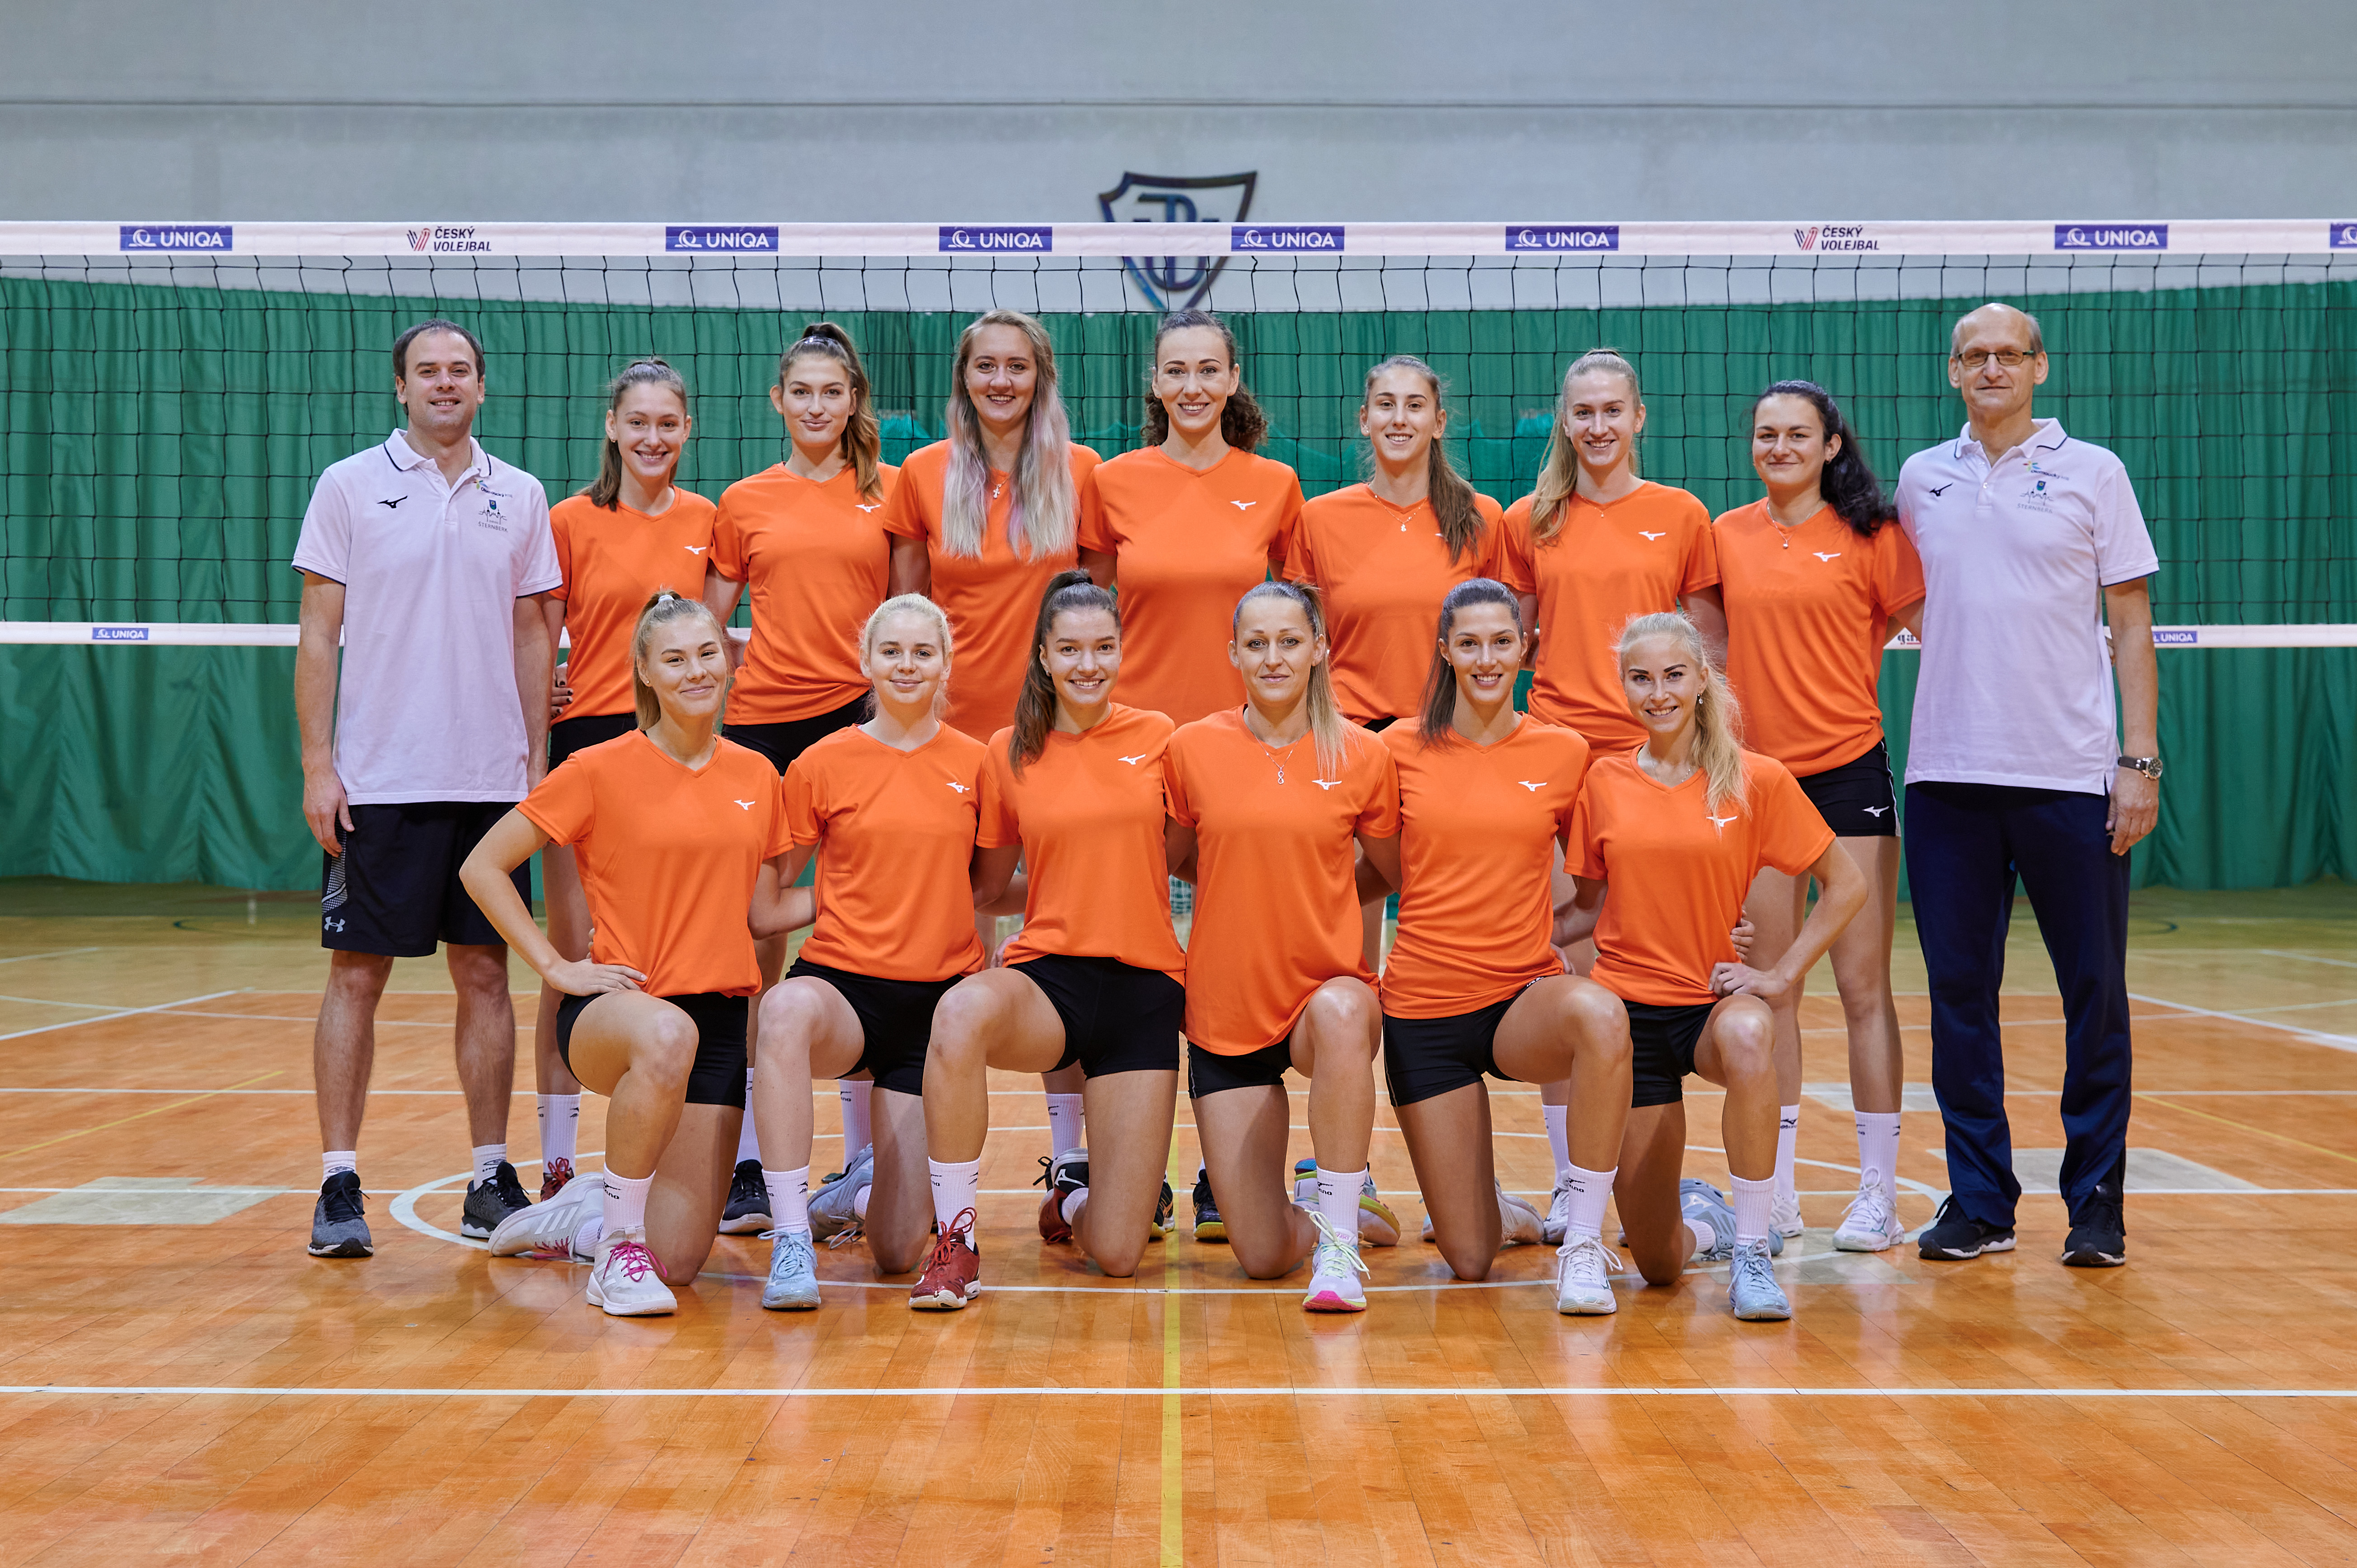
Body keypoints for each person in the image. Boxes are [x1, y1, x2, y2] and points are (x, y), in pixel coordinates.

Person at [1895, 303, 2160, 1270]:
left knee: (2094, 995)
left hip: (2068, 777)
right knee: (1959, 998)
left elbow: (2129, 621)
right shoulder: (1922, 478)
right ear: (1953, 371)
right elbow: (1911, 601)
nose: (1992, 367)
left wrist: (2138, 761)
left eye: (2009, 353)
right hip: (1947, 777)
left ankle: (2096, 1205)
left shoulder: (2094, 472)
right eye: (1974, 355)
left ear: (2039, 365)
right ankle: (1980, 1203)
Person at [292, 317, 559, 1259]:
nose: (445, 383)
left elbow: (532, 633)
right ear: (401, 387)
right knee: (356, 975)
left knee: (485, 973)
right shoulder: (349, 485)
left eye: (460, 371)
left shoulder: (520, 494)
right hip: (381, 778)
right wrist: (318, 765)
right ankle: (338, 1181)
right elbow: (318, 633)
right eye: (427, 371)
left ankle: (489, 1176)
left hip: (490, 782)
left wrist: (535, 765)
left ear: (481, 386)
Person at [460, 591, 807, 1314]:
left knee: (678, 1261)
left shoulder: (758, 776)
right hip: (618, 1007)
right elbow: (482, 866)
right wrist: (555, 967)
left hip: (717, 1020)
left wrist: (874, 890)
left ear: (729, 660)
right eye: (674, 659)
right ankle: (617, 1247)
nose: (695, 671)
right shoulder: (597, 768)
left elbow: (764, 914)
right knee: (666, 1030)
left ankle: (583, 1216)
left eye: (707, 653)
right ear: (645, 672)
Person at [1556, 611, 1866, 1321]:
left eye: (1674, 675)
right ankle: (1708, 1223)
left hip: (1711, 1005)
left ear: (1702, 678)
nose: (1658, 692)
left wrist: (1780, 974)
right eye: (1641, 678)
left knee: (1753, 1031)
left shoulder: (1757, 778)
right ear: (1624, 686)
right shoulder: (1604, 780)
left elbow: (1848, 884)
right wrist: (1518, 940)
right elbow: (1586, 908)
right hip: (1629, 1018)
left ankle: (1753, 1251)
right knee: (1659, 1261)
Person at [1362, 579, 1643, 1314]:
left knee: (1601, 1016)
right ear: (1445, 651)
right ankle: (1504, 1212)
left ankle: (1582, 1239)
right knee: (1469, 1258)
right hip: (1424, 1012)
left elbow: (1604, 884)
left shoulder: (1565, 752)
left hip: (1521, 999)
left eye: (1500, 642)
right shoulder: (1393, 748)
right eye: (1470, 643)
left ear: (1525, 649)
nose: (1486, 658)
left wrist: (1551, 933)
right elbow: (1369, 870)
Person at [1496, 347, 1726, 1244]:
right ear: (1567, 420)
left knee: (1653, 972)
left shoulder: (1681, 515)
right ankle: (1572, 1182)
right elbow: (1506, 641)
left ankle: (1655, 1179)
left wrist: (1708, 761)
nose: (1597, 426)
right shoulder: (1529, 520)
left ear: (1638, 417)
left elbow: (1707, 650)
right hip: (1561, 761)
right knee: (1570, 967)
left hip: (1655, 761)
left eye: (1611, 411)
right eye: (1582, 412)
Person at [912, 571, 1188, 1309]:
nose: (1087, 664)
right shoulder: (1009, 751)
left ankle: (1072, 1200)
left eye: (1103, 648)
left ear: (1121, 650)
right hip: (1051, 983)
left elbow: (1186, 856)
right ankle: (956, 1241)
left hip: (1144, 990)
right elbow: (989, 887)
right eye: (1069, 649)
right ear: (1043, 655)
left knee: (1119, 1254)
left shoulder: (1161, 739)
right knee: (960, 1011)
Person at [882, 309, 1101, 1175]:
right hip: (948, 742)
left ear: (1040, 376)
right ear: (964, 378)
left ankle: (1072, 1154)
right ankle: (913, 1163)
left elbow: (1096, 616)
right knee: (938, 942)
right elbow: (904, 617)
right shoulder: (922, 474)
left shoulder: (1081, 472)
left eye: (1017, 366)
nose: (1001, 381)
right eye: (986, 366)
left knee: (1063, 939)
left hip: (1051, 739)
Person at [1715, 380, 1925, 1253]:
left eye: (1797, 434)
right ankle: (1779, 1191)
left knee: (1862, 988)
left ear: (1831, 445)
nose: (1780, 447)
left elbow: (1938, 635)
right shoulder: (1727, 535)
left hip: (1847, 776)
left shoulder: (1875, 536)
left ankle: (1878, 1192)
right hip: (1758, 783)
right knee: (1774, 989)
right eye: (1766, 434)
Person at [703, 324, 899, 1239]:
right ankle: (750, 1160)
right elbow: (705, 626)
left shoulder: (889, 493)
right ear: (777, 401)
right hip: (761, 732)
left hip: (858, 723)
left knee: (863, 930)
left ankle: (862, 1162)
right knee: (756, 937)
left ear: (853, 400)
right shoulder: (744, 501)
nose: (818, 406)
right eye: (802, 392)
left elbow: (907, 611)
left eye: (833, 391)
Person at [1163, 580, 1404, 1313]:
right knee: (1263, 1257)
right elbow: (1178, 856)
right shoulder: (1190, 748)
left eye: (1290, 641)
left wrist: (1317, 890)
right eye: (1257, 643)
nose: (1273, 657)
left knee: (1342, 1013)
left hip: (1321, 997)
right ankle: (1324, 1213)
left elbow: (1389, 871)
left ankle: (1340, 1240)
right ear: (1233, 653)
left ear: (1320, 649)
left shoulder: (1363, 754)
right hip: (1226, 1009)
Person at [747, 595, 987, 1311]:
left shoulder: (979, 763)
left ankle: (854, 1193)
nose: (907, 665)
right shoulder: (822, 763)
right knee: (782, 1011)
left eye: (922, 652)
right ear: (867, 662)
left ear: (946, 663)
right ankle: (792, 1237)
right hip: (843, 990)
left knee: (894, 1252)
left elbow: (987, 885)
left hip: (934, 1009)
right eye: (892, 651)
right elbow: (766, 908)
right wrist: (840, 894)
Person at [533, 357, 714, 1206]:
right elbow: (538, 637)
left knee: (684, 952)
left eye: (667, 423)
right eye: (637, 421)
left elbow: (712, 638)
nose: (652, 437)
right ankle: (558, 1162)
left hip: (677, 748)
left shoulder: (708, 519)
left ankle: (711, 1149)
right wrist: (541, 714)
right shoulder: (569, 520)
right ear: (612, 426)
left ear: (687, 430)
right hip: (591, 744)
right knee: (575, 958)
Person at [1077, 308, 1305, 726]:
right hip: (1134, 724)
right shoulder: (1110, 481)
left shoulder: (1277, 483)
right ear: (1156, 382)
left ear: (1233, 380)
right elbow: (1085, 614)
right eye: (1176, 371)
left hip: (1245, 724)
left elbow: (1300, 614)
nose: (1192, 388)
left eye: (1209, 371)